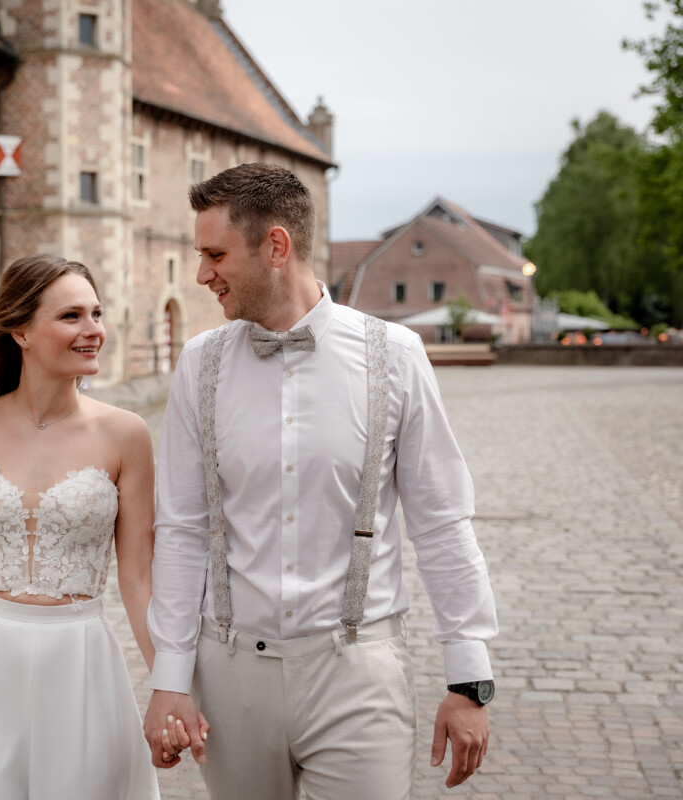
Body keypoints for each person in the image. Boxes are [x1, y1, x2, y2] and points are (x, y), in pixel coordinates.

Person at [144, 163, 499, 799]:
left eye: (216, 254)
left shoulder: (395, 355)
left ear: (275, 247)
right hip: (229, 678)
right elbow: (181, 530)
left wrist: (468, 678)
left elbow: (442, 520)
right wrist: (170, 676)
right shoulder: (199, 366)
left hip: (359, 673)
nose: (203, 274)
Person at [0, 254, 169, 800]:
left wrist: (171, 684)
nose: (94, 330)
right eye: (72, 316)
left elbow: (138, 578)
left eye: (96, 314)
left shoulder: (126, 435)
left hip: (79, 662)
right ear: (21, 331)